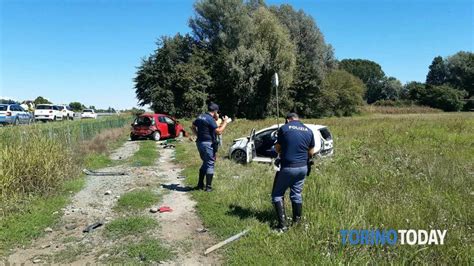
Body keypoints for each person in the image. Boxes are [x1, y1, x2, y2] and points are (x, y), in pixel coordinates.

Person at [271, 112, 315, 231]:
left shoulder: (284, 128)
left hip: (288, 167)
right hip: (302, 168)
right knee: (296, 194)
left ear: (288, 120)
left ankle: (282, 225)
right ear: (297, 119)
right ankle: (297, 223)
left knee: (277, 195)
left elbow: (278, 149)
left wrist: (280, 147)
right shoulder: (308, 130)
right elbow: (311, 152)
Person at [191, 103, 229, 192]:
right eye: (217, 112)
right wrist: (226, 122)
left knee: (206, 162)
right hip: (208, 144)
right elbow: (219, 131)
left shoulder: (200, 116)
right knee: (210, 163)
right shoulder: (210, 119)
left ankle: (200, 184)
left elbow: (192, 127)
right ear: (215, 111)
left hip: (200, 143)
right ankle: (208, 188)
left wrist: (198, 135)